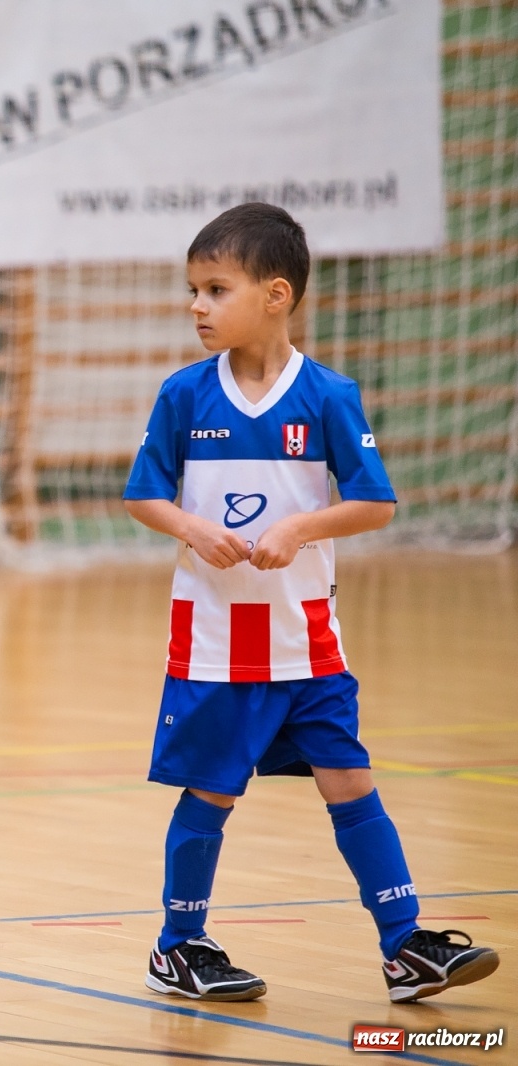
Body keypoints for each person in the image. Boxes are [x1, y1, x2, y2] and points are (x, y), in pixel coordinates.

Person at [123, 202, 500, 1003]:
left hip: (309, 637)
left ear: (276, 294)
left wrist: (302, 527)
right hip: (219, 640)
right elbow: (142, 497)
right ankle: (178, 946)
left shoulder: (328, 396)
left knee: (350, 779)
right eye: (193, 289)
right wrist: (192, 527)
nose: (197, 305)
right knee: (215, 789)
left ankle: (405, 947)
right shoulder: (185, 396)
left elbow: (375, 503)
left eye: (215, 288)